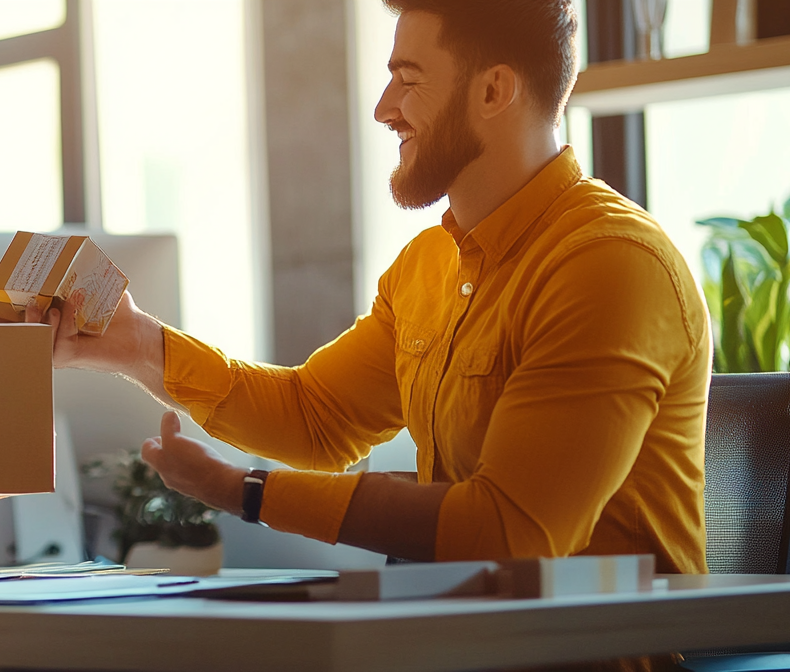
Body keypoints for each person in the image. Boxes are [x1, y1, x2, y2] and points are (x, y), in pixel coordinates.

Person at [36, 0, 709, 576]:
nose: (385, 109)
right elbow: (316, 416)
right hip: (455, 643)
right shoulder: (427, 266)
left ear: (493, 91)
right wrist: (139, 347)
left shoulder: (609, 265)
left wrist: (247, 490)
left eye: (407, 81)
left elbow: (512, 534)